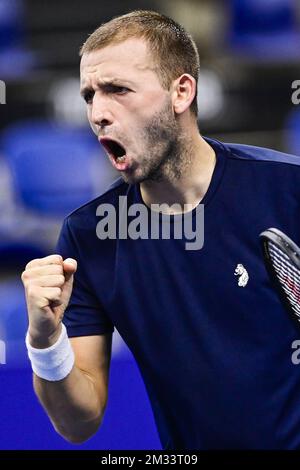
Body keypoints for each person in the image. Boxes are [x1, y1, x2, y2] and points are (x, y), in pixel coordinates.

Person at [21, 10, 300, 450]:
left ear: (181, 92)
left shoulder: (288, 190)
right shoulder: (89, 236)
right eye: (89, 95)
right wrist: (44, 339)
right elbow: (79, 423)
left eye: (117, 90)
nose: (97, 113)